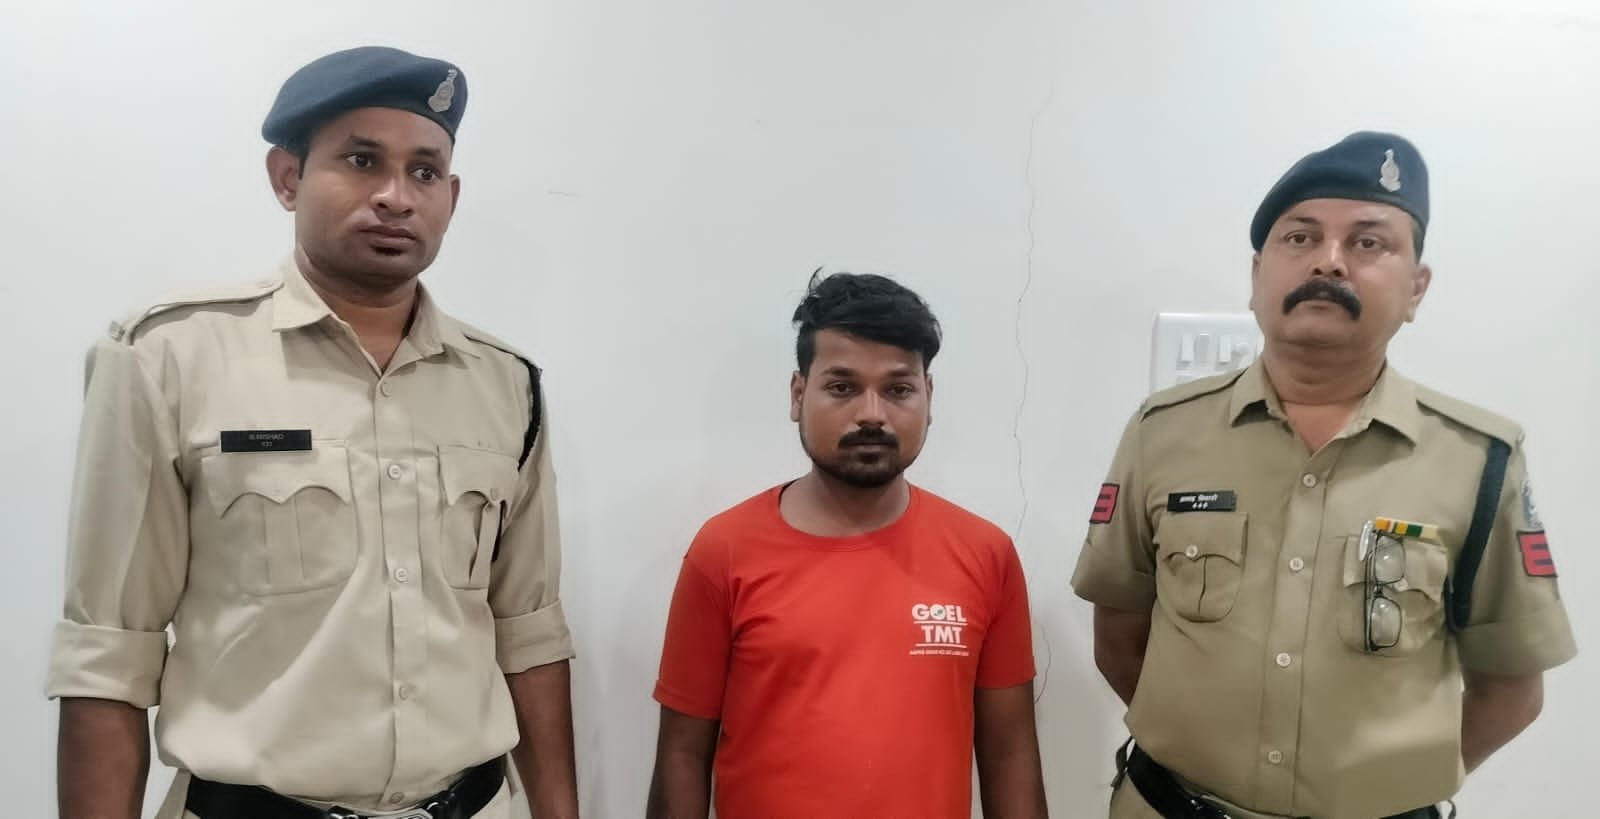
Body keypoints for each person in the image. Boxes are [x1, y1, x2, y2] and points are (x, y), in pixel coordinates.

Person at [46, 46, 579, 819]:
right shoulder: (167, 360)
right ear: (287, 178)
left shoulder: (505, 383)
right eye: (362, 161)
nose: (396, 196)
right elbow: (107, 655)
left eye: (425, 171)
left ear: (452, 196)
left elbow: (530, 635)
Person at [1071, 131, 1577, 819]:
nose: (1328, 260)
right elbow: (1118, 636)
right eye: (1300, 237)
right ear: (1258, 276)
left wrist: (1389, 790)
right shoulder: (1163, 433)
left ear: (1416, 287)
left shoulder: (1479, 458)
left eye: (1368, 242)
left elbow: (1511, 687)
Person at [646, 271, 1048, 818]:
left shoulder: (986, 554)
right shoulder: (724, 551)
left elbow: (1010, 752)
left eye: (898, 389)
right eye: (842, 387)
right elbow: (682, 754)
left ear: (929, 397)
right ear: (798, 394)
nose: (872, 414)